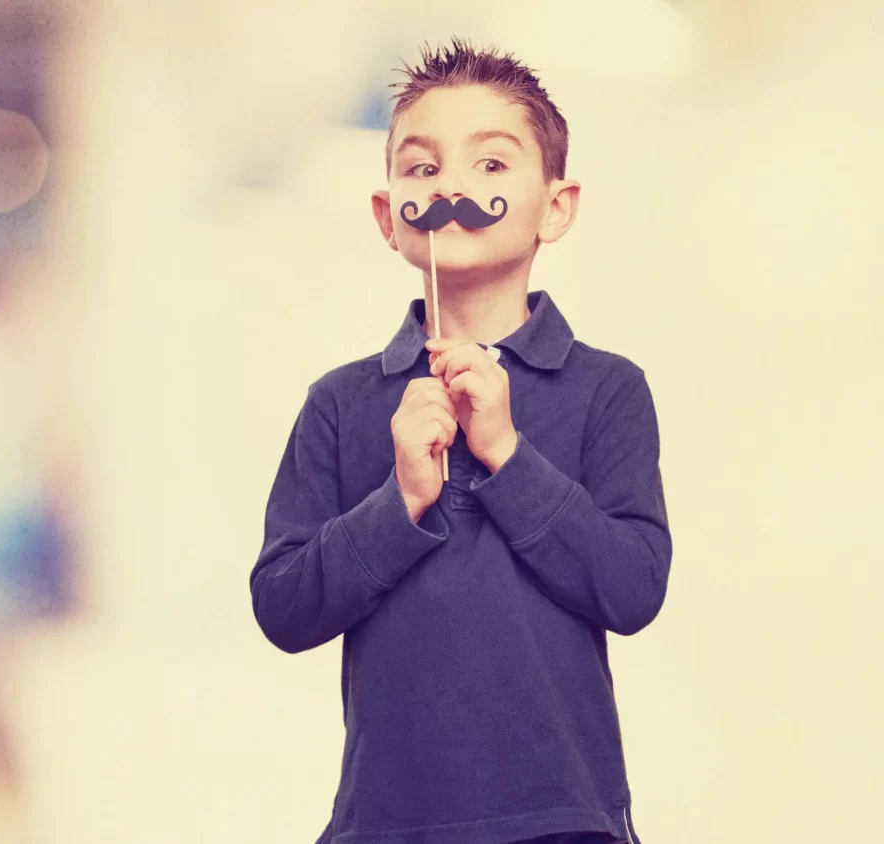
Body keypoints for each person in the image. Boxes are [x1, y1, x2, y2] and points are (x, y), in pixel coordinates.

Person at [249, 36, 671, 844]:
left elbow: (633, 590)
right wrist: (400, 499)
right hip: (386, 823)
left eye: (490, 165)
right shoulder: (342, 404)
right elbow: (283, 606)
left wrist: (510, 454)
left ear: (557, 205)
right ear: (387, 217)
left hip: (564, 820)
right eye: (420, 168)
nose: (450, 188)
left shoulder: (608, 390)